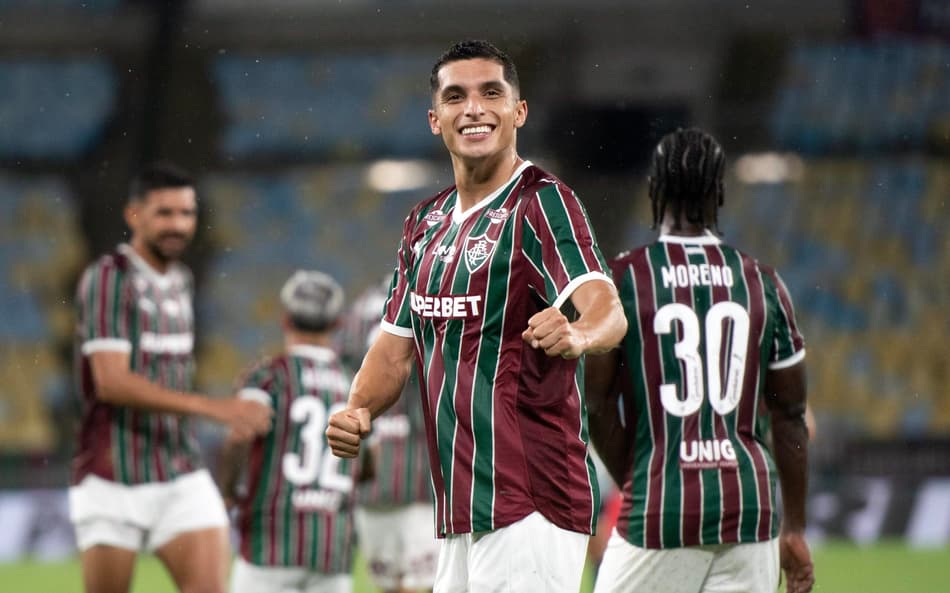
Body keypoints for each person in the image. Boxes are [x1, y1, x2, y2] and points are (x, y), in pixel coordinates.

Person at [326, 39, 627, 593]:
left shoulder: (541, 203)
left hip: (532, 497)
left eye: (492, 93)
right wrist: (357, 410)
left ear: (519, 111)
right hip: (460, 507)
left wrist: (579, 333)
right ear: (435, 118)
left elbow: (608, 309)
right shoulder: (425, 224)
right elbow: (394, 350)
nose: (474, 108)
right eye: (456, 96)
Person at [585, 128, 815, 593]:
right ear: (719, 193)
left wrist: (646, 474)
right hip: (751, 510)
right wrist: (793, 527)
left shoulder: (623, 280)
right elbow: (791, 416)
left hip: (662, 505)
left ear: (653, 190)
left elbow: (596, 405)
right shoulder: (763, 283)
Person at [69, 161, 273, 593]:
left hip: (179, 469)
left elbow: (168, 369)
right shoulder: (109, 278)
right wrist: (214, 408)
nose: (178, 225)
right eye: (164, 213)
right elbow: (112, 382)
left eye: (187, 213)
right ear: (134, 215)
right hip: (112, 476)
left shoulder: (181, 280)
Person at [217, 270, 358, 593]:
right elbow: (369, 462)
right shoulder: (355, 383)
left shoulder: (268, 376)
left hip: (271, 539)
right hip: (331, 545)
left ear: (285, 320)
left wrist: (227, 490)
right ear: (337, 323)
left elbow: (240, 436)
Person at [336, 276, 438, 593]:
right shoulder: (430, 296)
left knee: (391, 586)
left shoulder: (360, 307)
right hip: (421, 471)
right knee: (428, 584)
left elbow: (343, 376)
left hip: (373, 477)